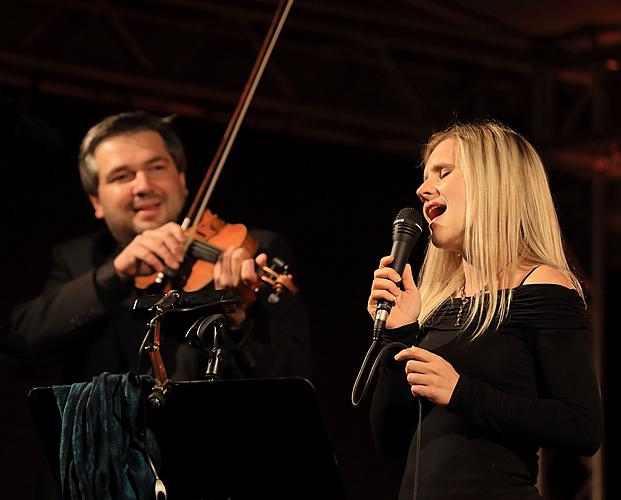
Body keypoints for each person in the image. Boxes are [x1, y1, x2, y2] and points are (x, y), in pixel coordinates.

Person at [366, 121, 602, 499]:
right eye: (426, 177)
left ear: (492, 182)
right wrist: (399, 333)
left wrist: (462, 393)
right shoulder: (437, 305)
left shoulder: (542, 285)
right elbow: (392, 442)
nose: (423, 189)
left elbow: (581, 426)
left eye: (443, 172)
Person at [5, 110, 312, 382]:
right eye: (122, 176)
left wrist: (240, 316)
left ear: (181, 179)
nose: (143, 186)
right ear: (96, 201)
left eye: (156, 168)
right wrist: (115, 274)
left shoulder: (257, 248)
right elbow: (20, 347)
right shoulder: (78, 259)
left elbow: (291, 376)